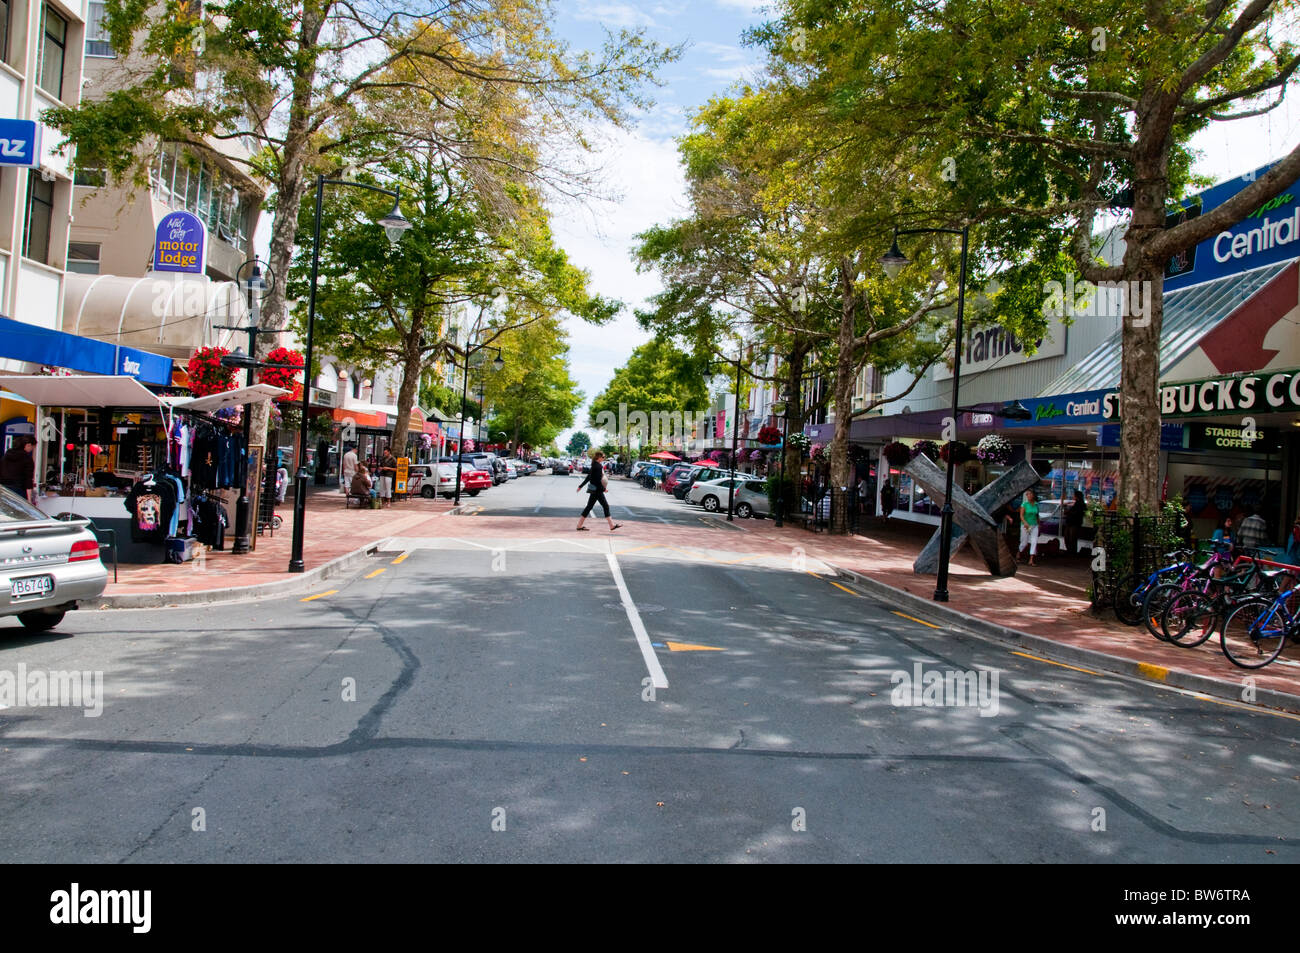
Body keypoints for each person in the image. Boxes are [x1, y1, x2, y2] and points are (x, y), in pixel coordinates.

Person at [575, 450, 620, 532]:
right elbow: (597, 480)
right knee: (605, 506)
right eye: (603, 457)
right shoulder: (598, 466)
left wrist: (580, 486)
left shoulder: (594, 465)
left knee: (589, 507)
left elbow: (589, 477)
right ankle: (611, 525)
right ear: (599, 457)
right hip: (598, 490)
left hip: (595, 490)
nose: (603, 458)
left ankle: (579, 525)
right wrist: (604, 489)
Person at [1, 435, 36, 502]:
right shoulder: (27, 459)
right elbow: (28, 480)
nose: (32, 449)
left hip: (3, 488)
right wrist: (29, 500)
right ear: (28, 445)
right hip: (18, 490)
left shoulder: (7, 455)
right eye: (33, 447)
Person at [1019, 488, 1041, 567]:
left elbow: (1037, 515)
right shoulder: (1024, 504)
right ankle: (1019, 552)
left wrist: (1039, 524)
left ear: (1033, 495)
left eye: (1030, 494)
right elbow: (1021, 515)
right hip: (1026, 525)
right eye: (1027, 494)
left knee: (1034, 541)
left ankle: (1031, 559)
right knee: (1024, 542)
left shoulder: (1036, 504)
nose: (1028, 495)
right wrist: (1025, 522)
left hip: (1034, 525)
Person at [1064, 489, 1086, 556]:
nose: (1073, 497)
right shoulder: (1077, 504)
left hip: (1074, 523)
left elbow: (1076, 513)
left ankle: (1071, 552)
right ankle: (1071, 551)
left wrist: (1068, 512)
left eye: (1074, 496)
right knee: (1069, 537)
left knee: (1071, 538)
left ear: (1077, 496)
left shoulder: (1080, 504)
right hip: (1071, 523)